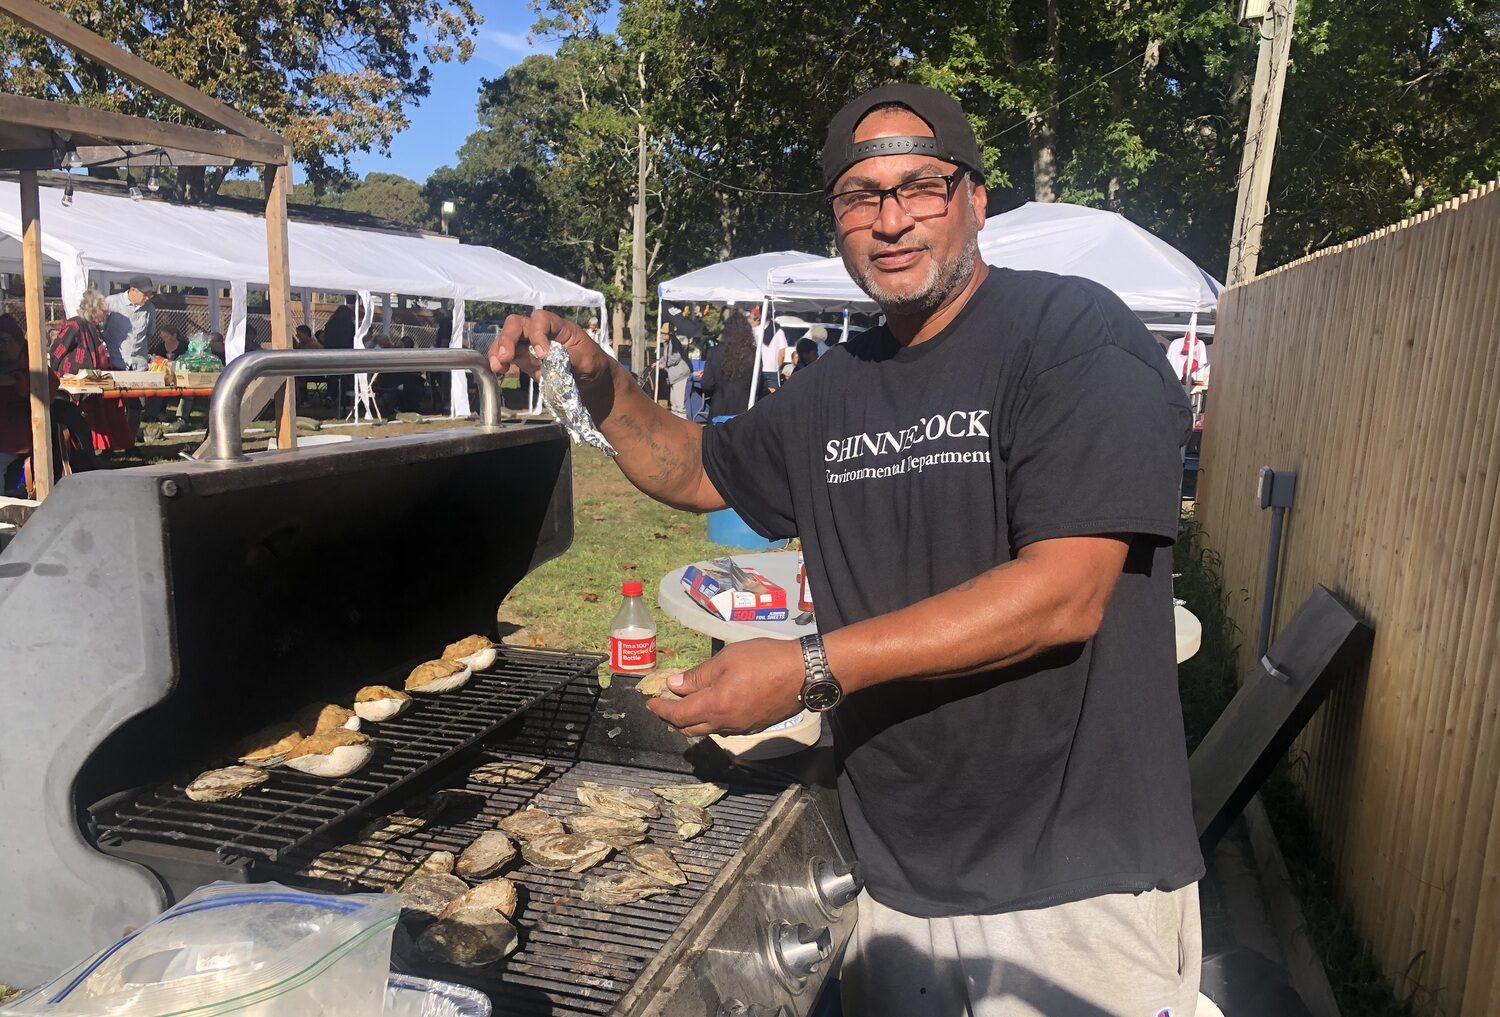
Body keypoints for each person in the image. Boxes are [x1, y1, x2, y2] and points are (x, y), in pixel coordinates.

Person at [487, 82, 1201, 1017]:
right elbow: (700, 467)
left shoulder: (1070, 335)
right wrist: (601, 377)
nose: (893, 220)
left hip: (1071, 884)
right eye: (862, 197)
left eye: (922, 187)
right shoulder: (840, 385)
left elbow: (1063, 594)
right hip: (892, 867)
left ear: (976, 200)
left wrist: (809, 668)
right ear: (837, 220)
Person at [48, 289, 132, 453]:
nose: (104, 316)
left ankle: (96, 449)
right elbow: (57, 350)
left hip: (92, 382)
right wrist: (59, 375)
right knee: (79, 415)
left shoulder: (92, 327)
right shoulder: (74, 325)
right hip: (75, 381)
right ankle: (79, 449)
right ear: (93, 311)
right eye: (102, 312)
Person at [697, 310, 757, 419]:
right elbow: (758, 384)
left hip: (719, 410)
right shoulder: (755, 355)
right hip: (745, 411)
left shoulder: (714, 352)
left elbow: (707, 384)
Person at [102, 276, 156, 370]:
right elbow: (100, 329)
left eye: (150, 294)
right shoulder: (111, 302)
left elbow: (149, 334)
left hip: (140, 365)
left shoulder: (150, 308)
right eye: (145, 294)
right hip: (115, 363)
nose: (147, 298)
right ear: (133, 290)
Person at [653, 322, 691, 418]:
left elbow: (675, 357)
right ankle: (675, 422)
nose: (661, 335)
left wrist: (663, 365)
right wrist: (658, 362)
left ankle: (683, 423)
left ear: (668, 334)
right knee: (673, 402)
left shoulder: (674, 343)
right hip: (674, 376)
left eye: (663, 333)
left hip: (680, 375)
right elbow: (665, 357)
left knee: (679, 403)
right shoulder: (668, 343)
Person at [757, 317, 787, 394]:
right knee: (773, 399)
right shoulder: (778, 331)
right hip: (772, 370)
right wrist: (777, 367)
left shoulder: (755, 330)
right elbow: (782, 355)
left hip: (757, 370)